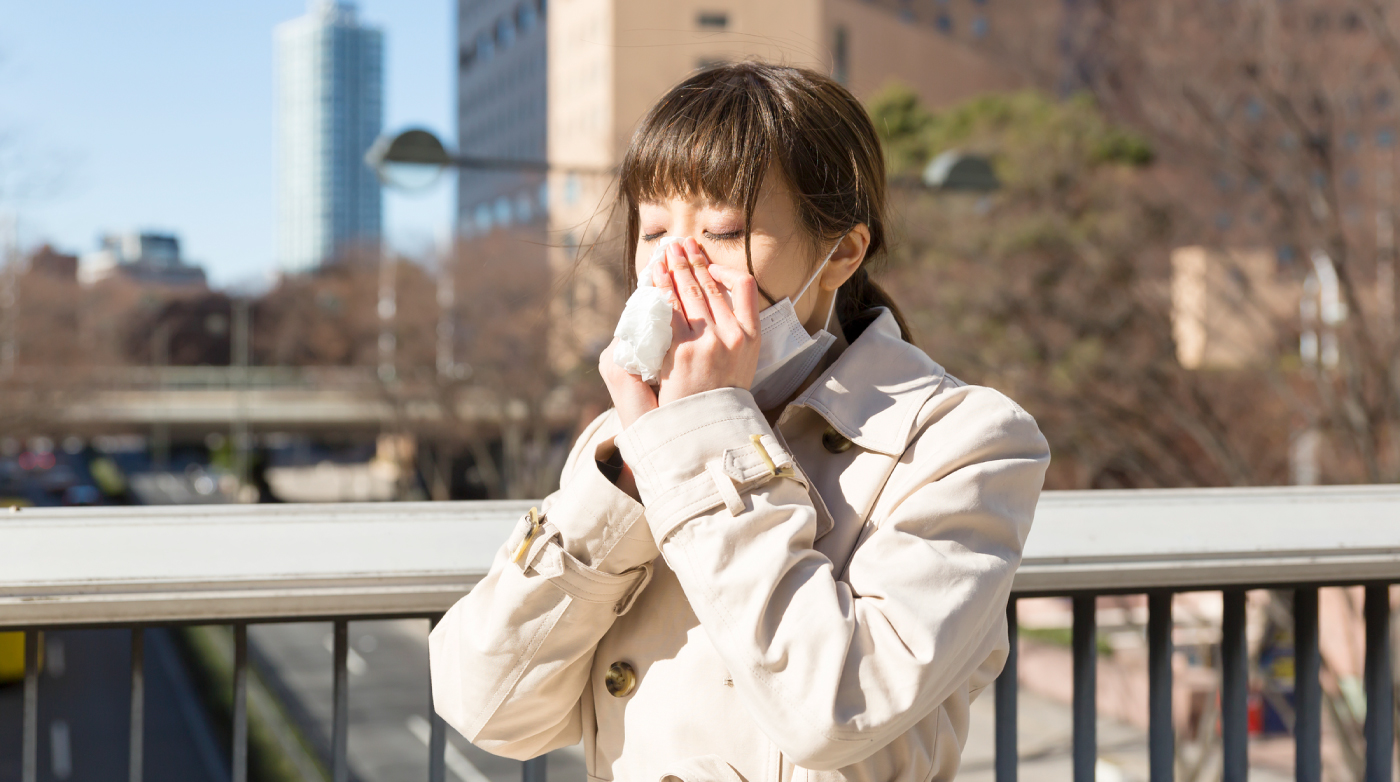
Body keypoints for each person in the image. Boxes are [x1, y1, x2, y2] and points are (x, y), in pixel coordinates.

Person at [429, 62, 1050, 782]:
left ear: (841, 252)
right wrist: (635, 472)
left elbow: (835, 708)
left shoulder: (961, 440)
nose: (676, 264)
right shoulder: (625, 440)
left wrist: (704, 440)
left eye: (723, 230)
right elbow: (488, 709)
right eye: (655, 228)